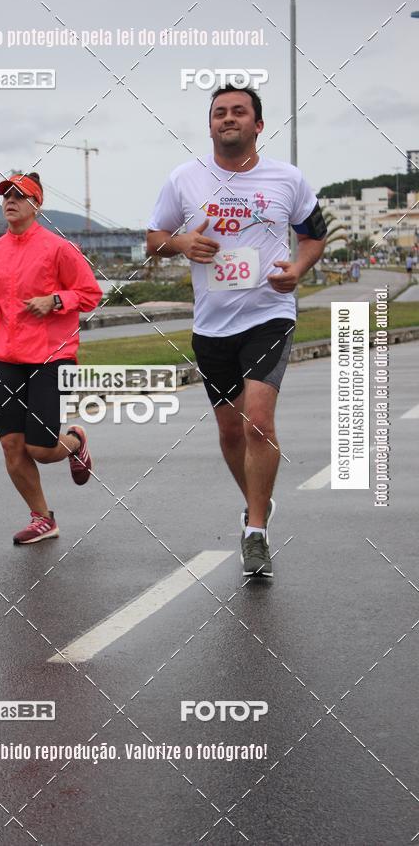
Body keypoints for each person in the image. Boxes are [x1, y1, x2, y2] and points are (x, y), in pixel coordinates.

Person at [146, 85, 326, 578]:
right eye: (219, 112)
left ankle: (256, 530)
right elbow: (153, 239)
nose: (229, 118)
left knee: (257, 423)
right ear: (210, 126)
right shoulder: (184, 179)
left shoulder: (287, 178)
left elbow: (314, 234)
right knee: (229, 429)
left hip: (269, 313)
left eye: (239, 111)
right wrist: (181, 243)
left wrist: (299, 269)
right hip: (212, 324)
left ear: (258, 125)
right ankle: (254, 503)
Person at [0, 172, 102, 545]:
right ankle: (42, 518)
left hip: (51, 356)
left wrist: (56, 300)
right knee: (12, 445)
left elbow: (90, 294)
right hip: (5, 357)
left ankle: (76, 441)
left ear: (36, 204)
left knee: (41, 449)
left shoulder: (59, 249)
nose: (10, 201)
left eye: (19, 195)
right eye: (5, 196)